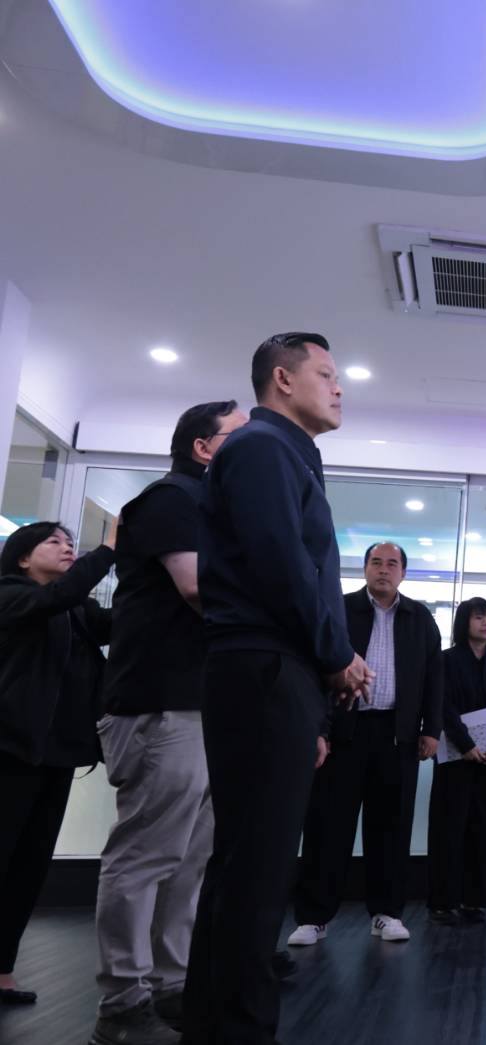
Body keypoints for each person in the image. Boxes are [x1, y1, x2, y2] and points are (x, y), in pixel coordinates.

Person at [182, 332, 372, 1045]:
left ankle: (214, 1026)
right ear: (283, 380)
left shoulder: (287, 454)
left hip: (273, 669)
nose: (339, 387)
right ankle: (237, 1030)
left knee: (246, 865)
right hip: (264, 665)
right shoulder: (262, 447)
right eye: (327, 373)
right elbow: (281, 565)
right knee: (256, 870)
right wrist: (338, 654)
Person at [91, 401, 246, 1045]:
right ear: (204, 449)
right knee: (147, 855)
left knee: (191, 857)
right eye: (241, 436)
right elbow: (194, 587)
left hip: (201, 704)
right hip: (160, 702)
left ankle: (172, 983)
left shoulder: (209, 509)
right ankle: (123, 1001)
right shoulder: (169, 499)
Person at [287, 542, 442, 949]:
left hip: (397, 736)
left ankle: (386, 913)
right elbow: (316, 672)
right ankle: (313, 918)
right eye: (376, 562)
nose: (384, 570)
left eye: (392, 564)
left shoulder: (420, 618)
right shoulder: (338, 609)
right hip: (344, 735)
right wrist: (318, 729)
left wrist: (431, 729)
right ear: (365, 569)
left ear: (403, 573)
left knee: (391, 827)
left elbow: (434, 678)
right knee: (327, 826)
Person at [0, 521, 115, 1007]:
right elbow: (56, 598)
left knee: (28, 867)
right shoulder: (10, 594)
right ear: (23, 558)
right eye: (54, 542)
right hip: (10, 750)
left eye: (71, 543)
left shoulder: (77, 610)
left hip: (57, 756)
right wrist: (108, 550)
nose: (68, 548)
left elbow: (120, 623)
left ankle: (2, 971)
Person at [428, 597, 486, 923]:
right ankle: (442, 902)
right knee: (449, 827)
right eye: (479, 617)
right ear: (464, 622)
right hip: (456, 755)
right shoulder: (447, 659)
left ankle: (474, 901)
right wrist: (466, 744)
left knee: (484, 828)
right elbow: (443, 705)